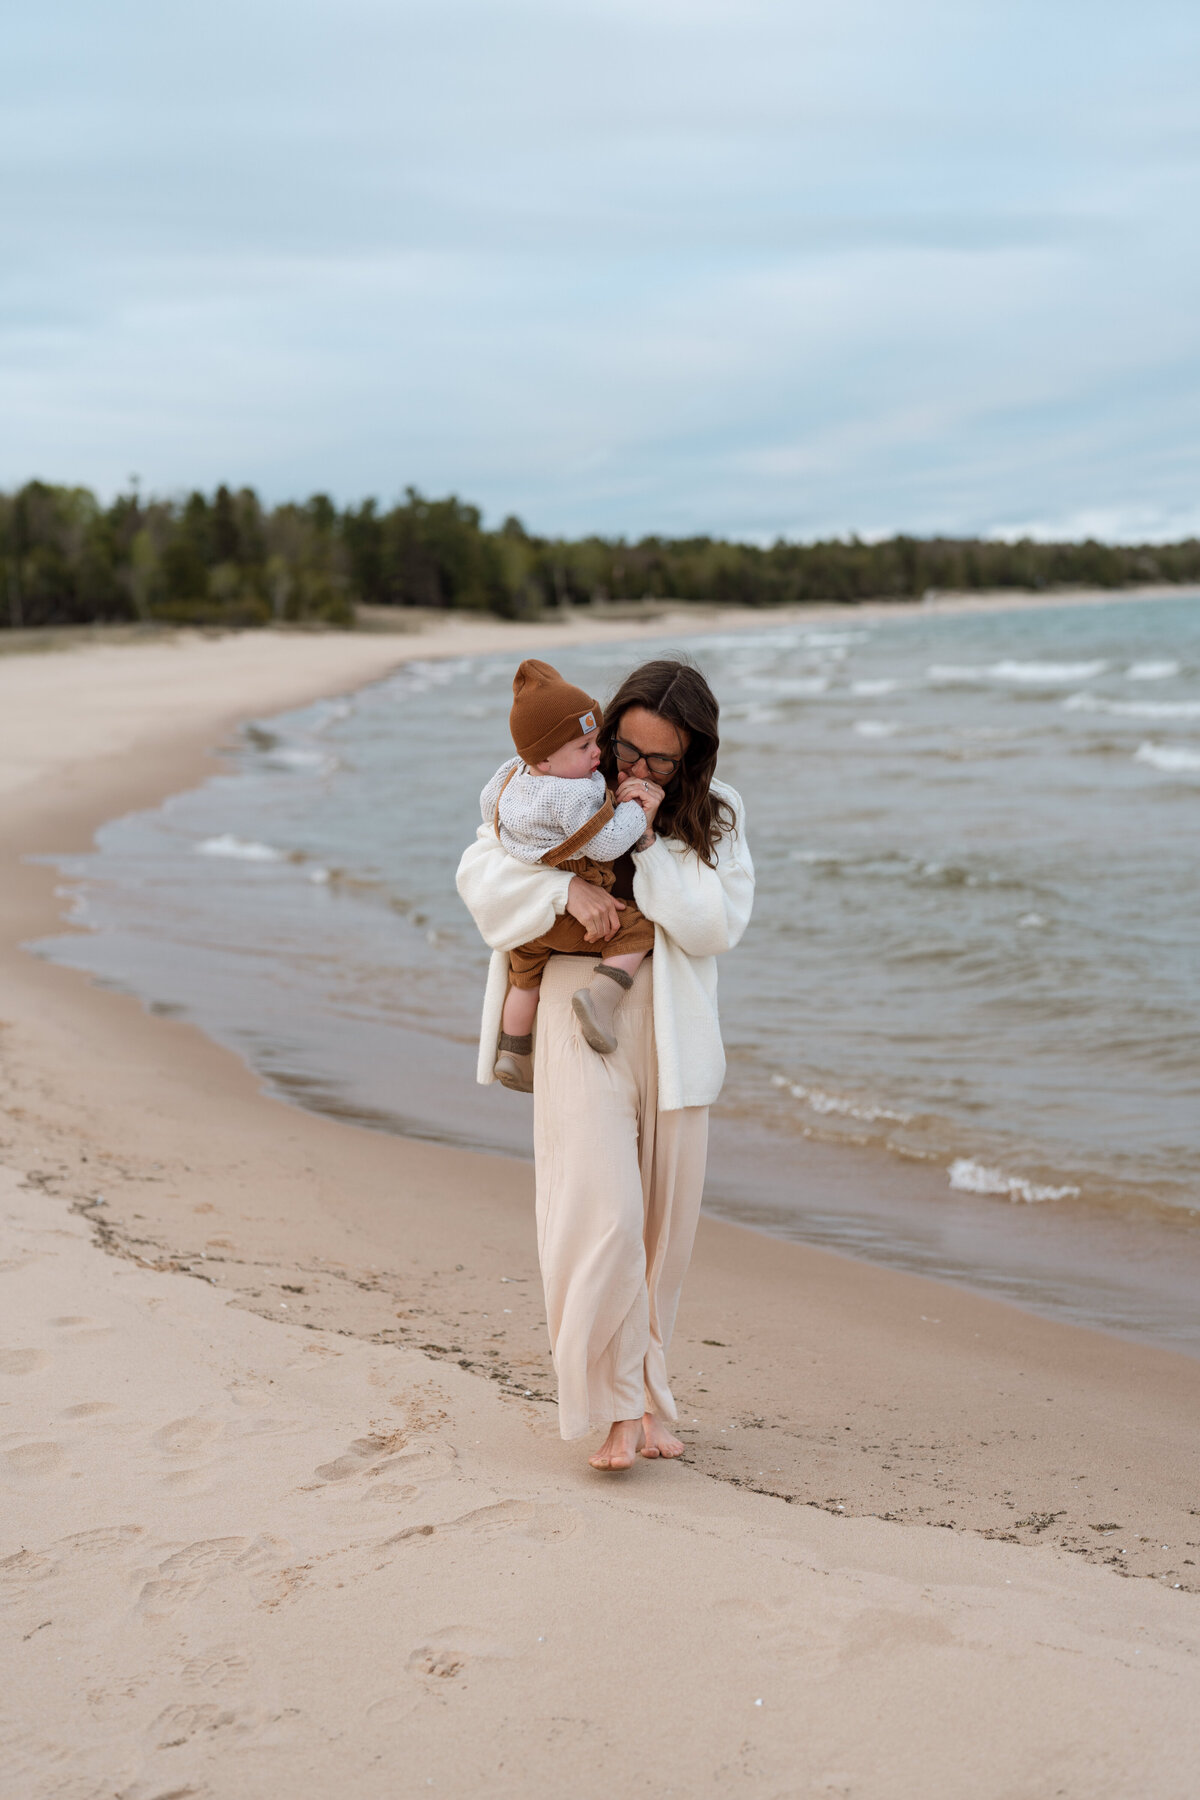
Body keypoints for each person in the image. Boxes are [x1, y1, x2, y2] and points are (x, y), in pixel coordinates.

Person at [457, 658, 754, 1471]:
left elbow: (714, 924)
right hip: (570, 1005)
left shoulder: (716, 814)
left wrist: (649, 841)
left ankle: (647, 1397)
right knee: (604, 1215)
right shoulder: (546, 788)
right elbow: (479, 878)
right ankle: (614, 1408)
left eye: (662, 760)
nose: (637, 769)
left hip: (671, 1029)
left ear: (691, 758)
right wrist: (564, 897)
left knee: (661, 1233)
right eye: (628, 749)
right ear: (606, 727)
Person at [480, 659, 656, 1093]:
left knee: (524, 982)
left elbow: (489, 811)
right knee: (637, 931)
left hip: (528, 922)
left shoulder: (511, 780)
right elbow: (607, 843)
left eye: (597, 740)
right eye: (583, 747)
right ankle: (599, 1001)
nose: (598, 753)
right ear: (543, 760)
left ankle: (513, 1053)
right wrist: (637, 812)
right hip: (569, 919)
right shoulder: (571, 795)